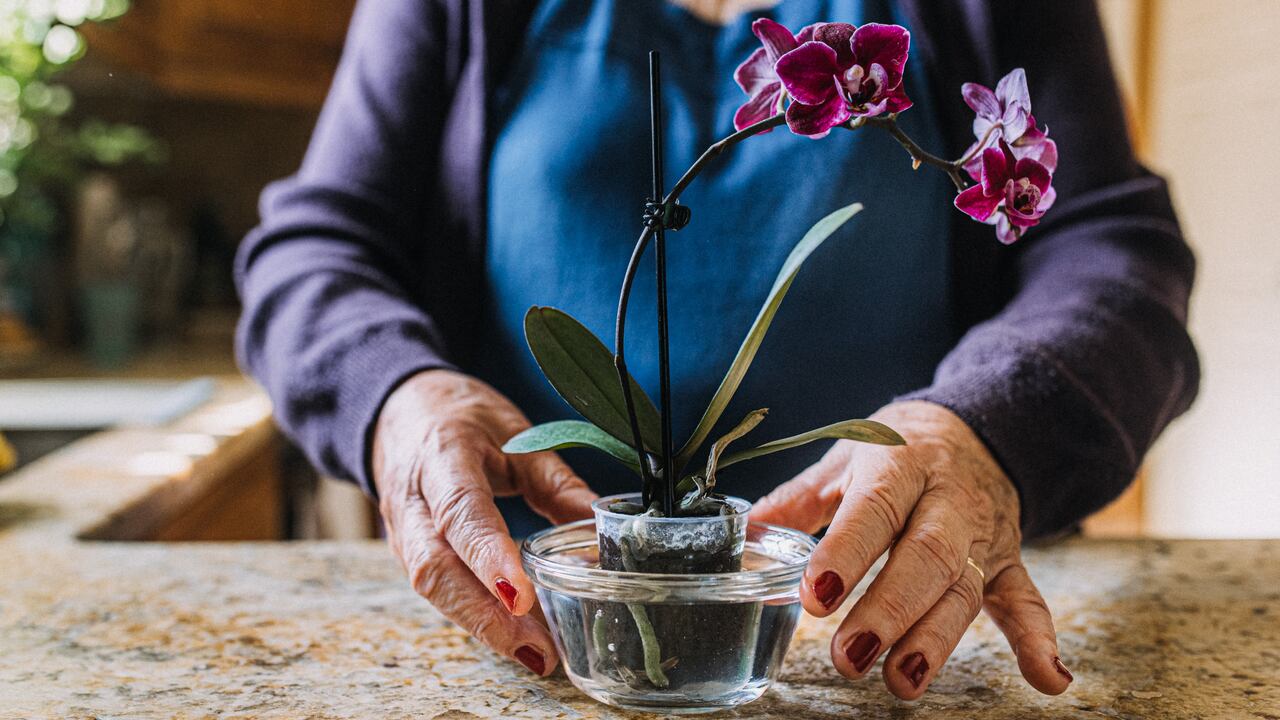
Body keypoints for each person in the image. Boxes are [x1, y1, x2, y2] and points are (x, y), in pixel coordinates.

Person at [235, 0, 1198, 700]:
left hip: (888, 633)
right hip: (548, 641)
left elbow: (1113, 250)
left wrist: (989, 427)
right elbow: (315, 249)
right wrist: (400, 394)